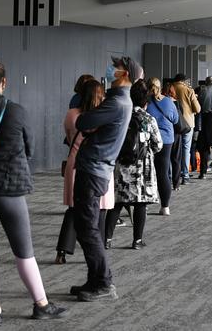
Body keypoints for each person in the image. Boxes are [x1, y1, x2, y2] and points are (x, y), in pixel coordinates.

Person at [0, 58, 68, 325]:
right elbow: (29, 147)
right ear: (4, 82)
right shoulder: (15, 111)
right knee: (23, 251)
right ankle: (41, 303)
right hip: (10, 189)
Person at [71, 56, 139, 301]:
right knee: (84, 226)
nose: (111, 69)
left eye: (116, 68)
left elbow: (82, 120)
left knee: (87, 228)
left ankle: (103, 281)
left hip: (93, 170)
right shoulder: (118, 101)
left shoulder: (117, 103)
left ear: (125, 75)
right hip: (96, 168)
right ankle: (95, 279)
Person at [56, 80, 114, 264]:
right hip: (99, 164)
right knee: (102, 208)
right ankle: (101, 249)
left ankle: (62, 251)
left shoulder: (72, 114)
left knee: (74, 208)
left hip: (75, 160)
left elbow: (68, 136)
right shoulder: (103, 116)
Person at [105, 79, 162, 249]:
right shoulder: (148, 119)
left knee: (117, 203)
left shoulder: (122, 117)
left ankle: (106, 239)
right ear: (146, 101)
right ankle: (137, 240)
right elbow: (158, 144)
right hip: (142, 167)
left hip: (122, 165)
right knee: (140, 203)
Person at [146, 77, 179, 215]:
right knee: (163, 173)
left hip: (148, 140)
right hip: (166, 140)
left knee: (147, 172)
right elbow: (176, 119)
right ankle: (165, 207)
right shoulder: (168, 102)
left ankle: (144, 204)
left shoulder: (145, 102)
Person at [173, 73, 201, 185]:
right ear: (183, 81)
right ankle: (185, 175)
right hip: (187, 123)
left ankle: (174, 174)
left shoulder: (170, 88)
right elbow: (197, 109)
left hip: (173, 123)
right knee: (185, 149)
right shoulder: (188, 90)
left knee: (174, 149)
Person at [162, 82, 185, 189]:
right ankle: (176, 184)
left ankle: (166, 179)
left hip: (164, 133)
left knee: (165, 159)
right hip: (176, 133)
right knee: (176, 159)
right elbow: (180, 117)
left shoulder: (160, 102)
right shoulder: (176, 103)